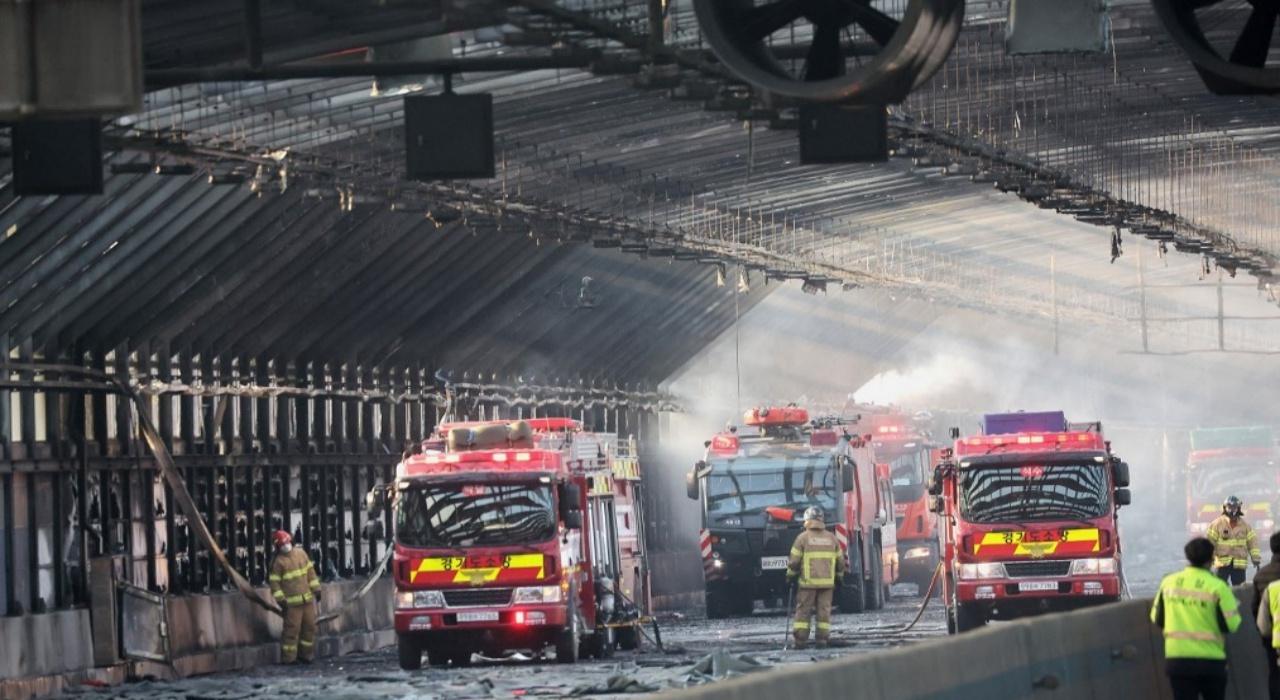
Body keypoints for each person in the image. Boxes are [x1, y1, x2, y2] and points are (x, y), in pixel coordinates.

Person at [1151, 537, 1242, 700]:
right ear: (1211, 559)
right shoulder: (1218, 586)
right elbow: (1232, 625)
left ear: (1188, 557)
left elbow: (1157, 618)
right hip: (1211, 661)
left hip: (1177, 661)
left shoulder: (1168, 583)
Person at [786, 506, 844, 649]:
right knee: (824, 613)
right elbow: (841, 562)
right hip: (827, 585)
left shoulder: (802, 538)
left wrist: (790, 577)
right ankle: (822, 641)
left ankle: (800, 642)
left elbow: (794, 562)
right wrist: (839, 578)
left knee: (803, 613)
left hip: (807, 584)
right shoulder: (832, 538)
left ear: (807, 520)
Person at [268, 530, 321, 664]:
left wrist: (317, 589)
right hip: (291, 605)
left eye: (287, 543)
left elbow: (311, 574)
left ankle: (306, 655)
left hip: (307, 601)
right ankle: (288, 659)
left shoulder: (301, 554)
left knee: (309, 628)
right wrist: (281, 601)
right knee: (291, 631)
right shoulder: (278, 562)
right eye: (282, 544)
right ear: (277, 547)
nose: (286, 546)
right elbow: (274, 584)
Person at [1208, 495, 1261, 585]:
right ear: (1225, 508)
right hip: (1222, 564)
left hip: (1239, 565)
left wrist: (1255, 558)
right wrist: (1209, 559)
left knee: (1240, 590)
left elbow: (1252, 543)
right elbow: (1210, 543)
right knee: (1219, 588)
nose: (1233, 509)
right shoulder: (1217, 524)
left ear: (1239, 508)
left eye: (1235, 507)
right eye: (1230, 507)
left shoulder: (1245, 526)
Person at [1254, 531, 1280, 700]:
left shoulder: (1261, 575)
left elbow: (1255, 609)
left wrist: (1265, 635)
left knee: (1275, 676)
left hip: (1273, 638)